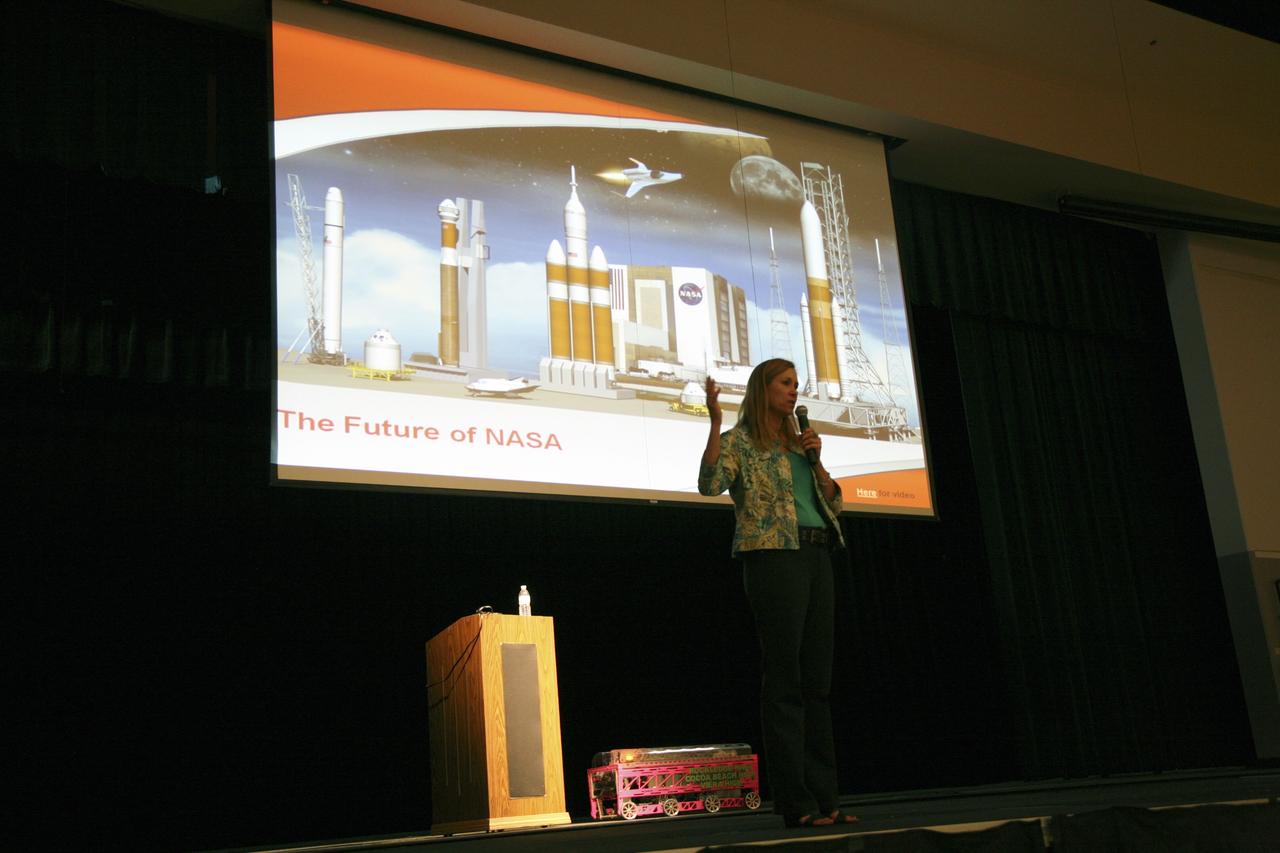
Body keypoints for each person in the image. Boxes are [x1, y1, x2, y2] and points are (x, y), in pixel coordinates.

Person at [697, 359, 856, 829]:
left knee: (817, 686)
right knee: (786, 683)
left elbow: (834, 502)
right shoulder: (742, 442)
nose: (792, 393)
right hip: (772, 558)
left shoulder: (799, 443)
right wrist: (714, 422)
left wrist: (818, 458)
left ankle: (827, 799)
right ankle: (796, 802)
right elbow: (709, 485)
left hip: (815, 555)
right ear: (762, 387)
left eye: (796, 386)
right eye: (785, 384)